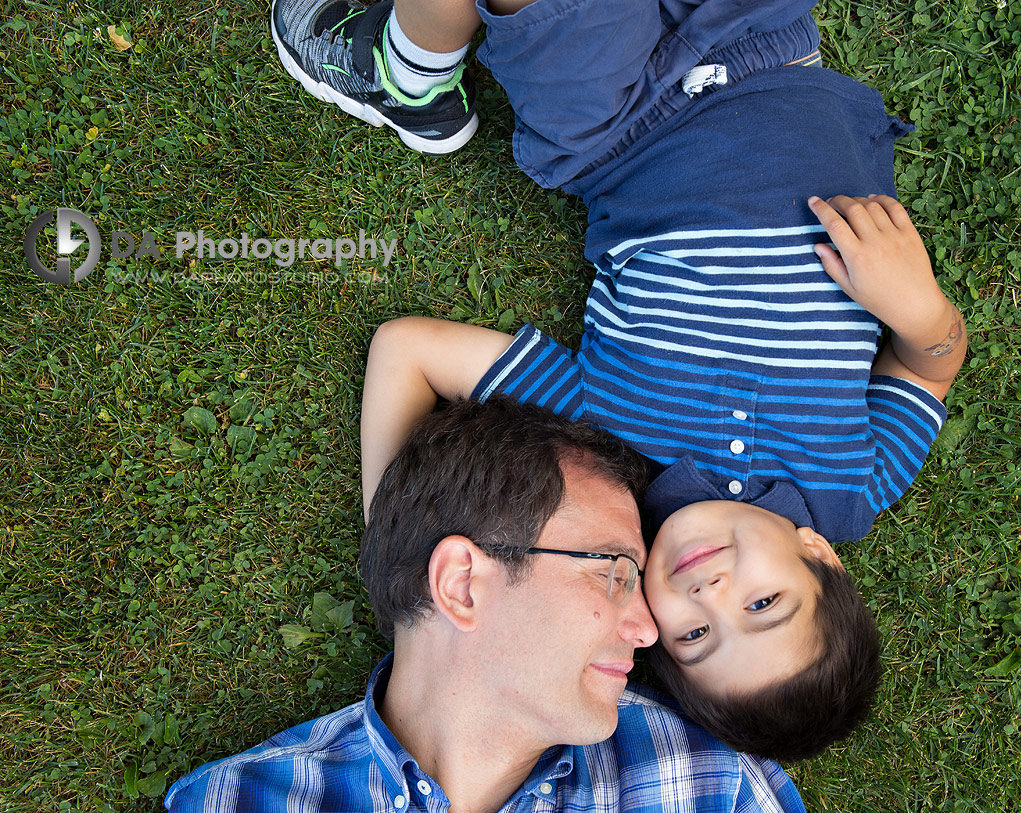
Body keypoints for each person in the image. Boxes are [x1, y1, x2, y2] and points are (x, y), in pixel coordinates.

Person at [276, 0, 968, 762]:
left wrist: (393, 539)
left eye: (697, 634)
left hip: (622, 130)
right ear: (818, 554)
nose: (713, 594)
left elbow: (409, 348)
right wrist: (918, 304)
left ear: (651, 629)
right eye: (764, 603)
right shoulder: (856, 487)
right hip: (770, 53)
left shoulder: (606, 453)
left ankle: (410, 74)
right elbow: (931, 366)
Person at [165, 398, 804, 811]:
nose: (647, 629)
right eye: (612, 573)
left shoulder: (709, 783)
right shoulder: (239, 802)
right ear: (463, 585)